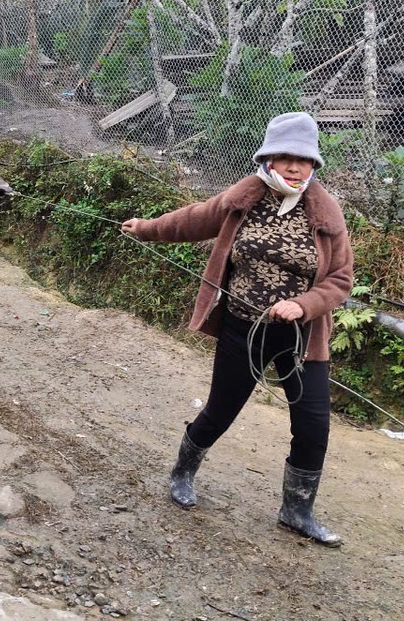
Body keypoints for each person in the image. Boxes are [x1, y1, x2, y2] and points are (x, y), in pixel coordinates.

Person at [120, 112, 353, 547]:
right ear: (268, 157)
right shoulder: (245, 196)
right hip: (243, 328)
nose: (295, 166)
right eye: (285, 156)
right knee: (222, 409)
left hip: (301, 339)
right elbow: (194, 219)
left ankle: (296, 510)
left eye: (304, 159)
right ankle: (183, 473)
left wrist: (302, 305)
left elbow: (340, 280)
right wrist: (147, 229)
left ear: (314, 164)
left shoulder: (325, 211)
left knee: (314, 424)